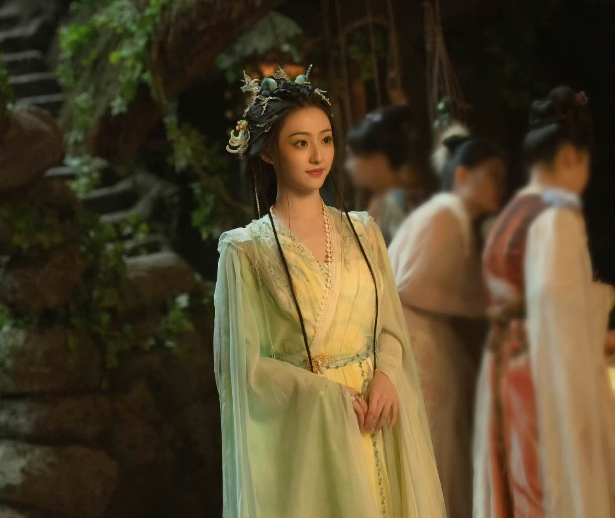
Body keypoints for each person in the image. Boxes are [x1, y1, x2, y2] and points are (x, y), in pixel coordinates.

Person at [215, 67, 445, 518]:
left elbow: (389, 326)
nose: (318, 155)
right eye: (300, 143)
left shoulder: (364, 231)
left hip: (380, 417)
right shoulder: (245, 251)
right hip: (312, 436)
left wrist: (388, 375)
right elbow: (244, 369)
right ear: (268, 152)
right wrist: (327, 396)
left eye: (325, 139)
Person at [472, 86, 615, 518]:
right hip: (541, 377)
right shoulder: (556, 218)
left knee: (519, 489)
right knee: (552, 489)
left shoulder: (513, 213)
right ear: (571, 158)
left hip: (507, 368)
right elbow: (558, 318)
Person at [389, 135, 507, 518]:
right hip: (417, 340)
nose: (500, 185)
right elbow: (407, 285)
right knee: (437, 448)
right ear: (462, 176)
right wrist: (479, 306)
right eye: (492, 175)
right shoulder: (442, 215)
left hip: (430, 337)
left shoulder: (453, 217)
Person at [344, 104, 422, 244]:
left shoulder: (396, 201)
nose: (348, 165)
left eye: (353, 156)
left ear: (378, 160)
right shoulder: (380, 198)